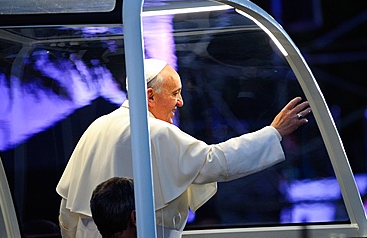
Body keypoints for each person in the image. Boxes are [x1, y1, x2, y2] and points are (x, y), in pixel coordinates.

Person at [56, 58, 312, 238]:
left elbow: (67, 210)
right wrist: (273, 133)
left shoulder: (98, 126)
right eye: (175, 93)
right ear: (150, 96)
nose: (181, 102)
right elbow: (216, 162)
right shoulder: (153, 130)